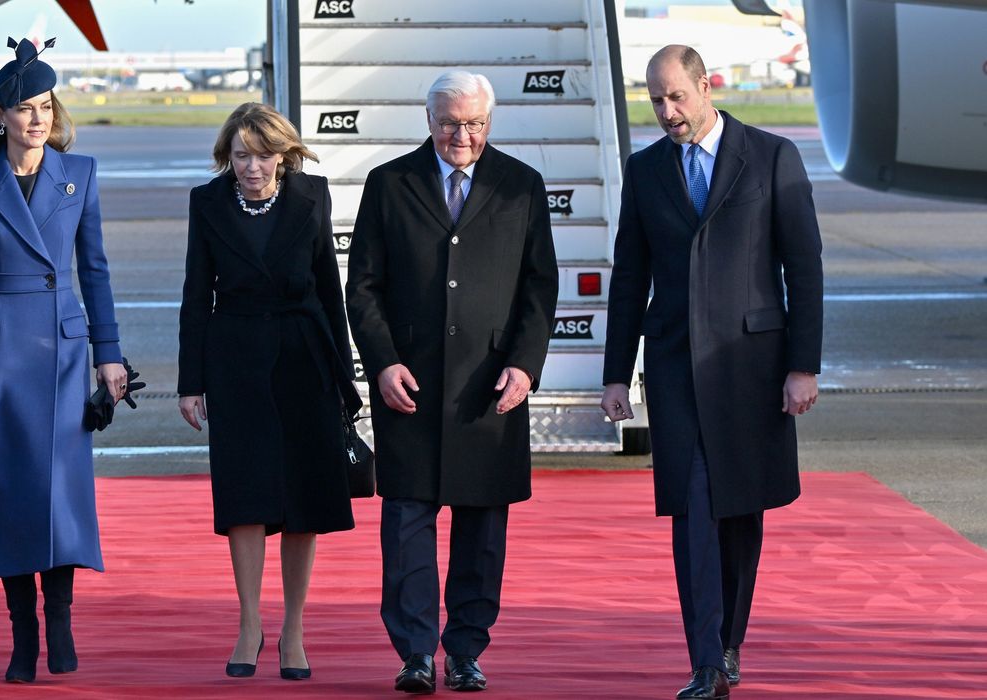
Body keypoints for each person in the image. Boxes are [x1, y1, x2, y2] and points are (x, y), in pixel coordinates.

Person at [600, 45, 823, 700]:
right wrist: (618, 373)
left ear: (704, 87)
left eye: (675, 97)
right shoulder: (644, 173)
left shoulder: (771, 156)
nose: (666, 111)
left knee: (738, 512)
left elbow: (802, 269)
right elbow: (628, 278)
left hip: (752, 369)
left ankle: (727, 643)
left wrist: (801, 367)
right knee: (692, 508)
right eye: (654, 100)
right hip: (674, 368)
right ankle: (703, 662)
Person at [345, 71, 558, 694]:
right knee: (407, 527)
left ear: (489, 122)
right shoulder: (390, 184)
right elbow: (363, 286)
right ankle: (415, 653)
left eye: (474, 123)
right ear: (428, 118)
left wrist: (525, 363)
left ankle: (464, 651)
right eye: (449, 122)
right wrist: (382, 361)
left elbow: (539, 288)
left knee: (482, 532)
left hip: (490, 390)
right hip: (408, 387)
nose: (461, 135)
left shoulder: (522, 185)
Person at [0, 37, 127, 684]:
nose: (37, 117)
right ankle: (22, 634)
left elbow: (95, 271)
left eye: (45, 105)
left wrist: (110, 355)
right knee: (10, 494)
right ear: (2, 115)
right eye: (24, 107)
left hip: (66, 352)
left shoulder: (81, 173)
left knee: (60, 493)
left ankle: (62, 619)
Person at [178, 102, 360, 681]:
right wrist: (191, 382)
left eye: (262, 156)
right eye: (240, 156)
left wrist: (344, 377)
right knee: (245, 495)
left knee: (304, 498)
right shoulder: (207, 202)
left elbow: (331, 288)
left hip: (304, 358)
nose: (251, 168)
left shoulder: (313, 195)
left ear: (283, 155)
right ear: (225, 156)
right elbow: (195, 294)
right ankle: (250, 623)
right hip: (235, 361)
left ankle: (295, 631)